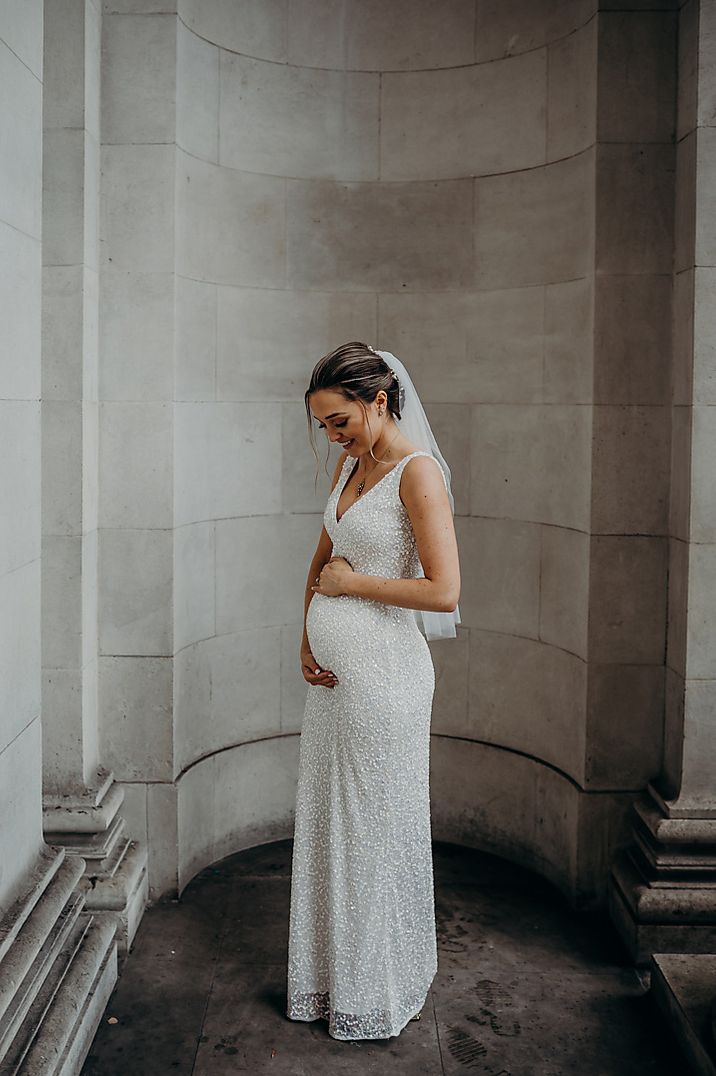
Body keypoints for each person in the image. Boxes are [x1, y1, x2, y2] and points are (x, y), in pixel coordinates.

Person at [285, 341, 461, 1041]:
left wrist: (352, 587)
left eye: (339, 420)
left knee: (371, 833)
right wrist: (305, 635)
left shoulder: (419, 476)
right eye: (324, 424)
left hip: (386, 681)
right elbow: (323, 553)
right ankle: (333, 983)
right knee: (333, 827)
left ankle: (377, 991)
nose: (332, 434)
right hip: (335, 682)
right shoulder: (350, 462)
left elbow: (444, 590)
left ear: (378, 401)